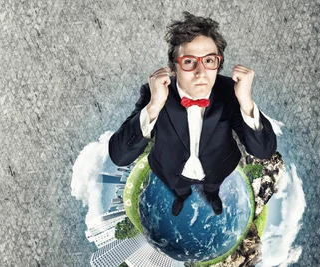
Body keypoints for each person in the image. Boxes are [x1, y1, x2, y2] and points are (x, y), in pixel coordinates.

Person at [108, 12, 277, 216]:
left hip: (217, 167)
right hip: (171, 169)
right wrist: (154, 105)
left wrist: (246, 101)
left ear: (218, 65)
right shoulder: (155, 92)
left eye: (209, 60)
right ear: (173, 68)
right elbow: (120, 156)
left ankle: (212, 196)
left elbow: (264, 151)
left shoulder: (231, 92)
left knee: (213, 187)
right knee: (179, 190)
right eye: (189, 62)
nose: (200, 72)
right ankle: (181, 197)